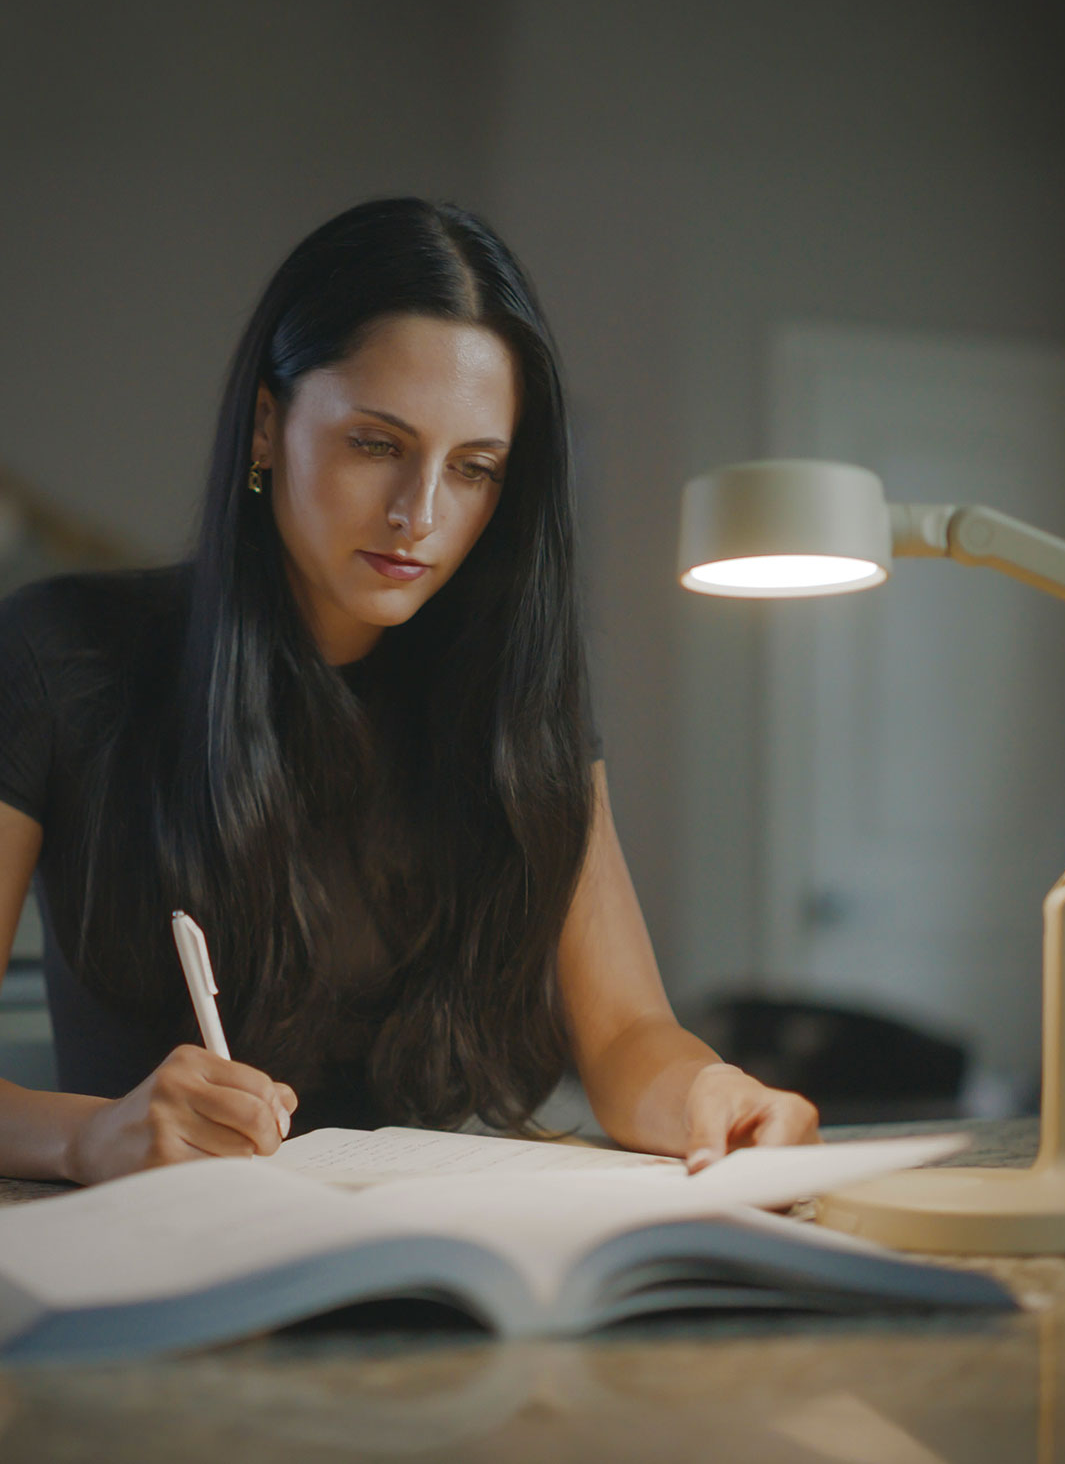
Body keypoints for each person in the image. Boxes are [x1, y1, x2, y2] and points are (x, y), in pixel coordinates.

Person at [0, 197, 819, 1185]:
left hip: (432, 1258)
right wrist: (87, 1136)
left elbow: (628, 1038)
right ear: (266, 425)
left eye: (473, 469)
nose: (418, 515)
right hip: (158, 1271)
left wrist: (710, 1096)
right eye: (377, 444)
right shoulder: (60, 658)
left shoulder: (512, 693)